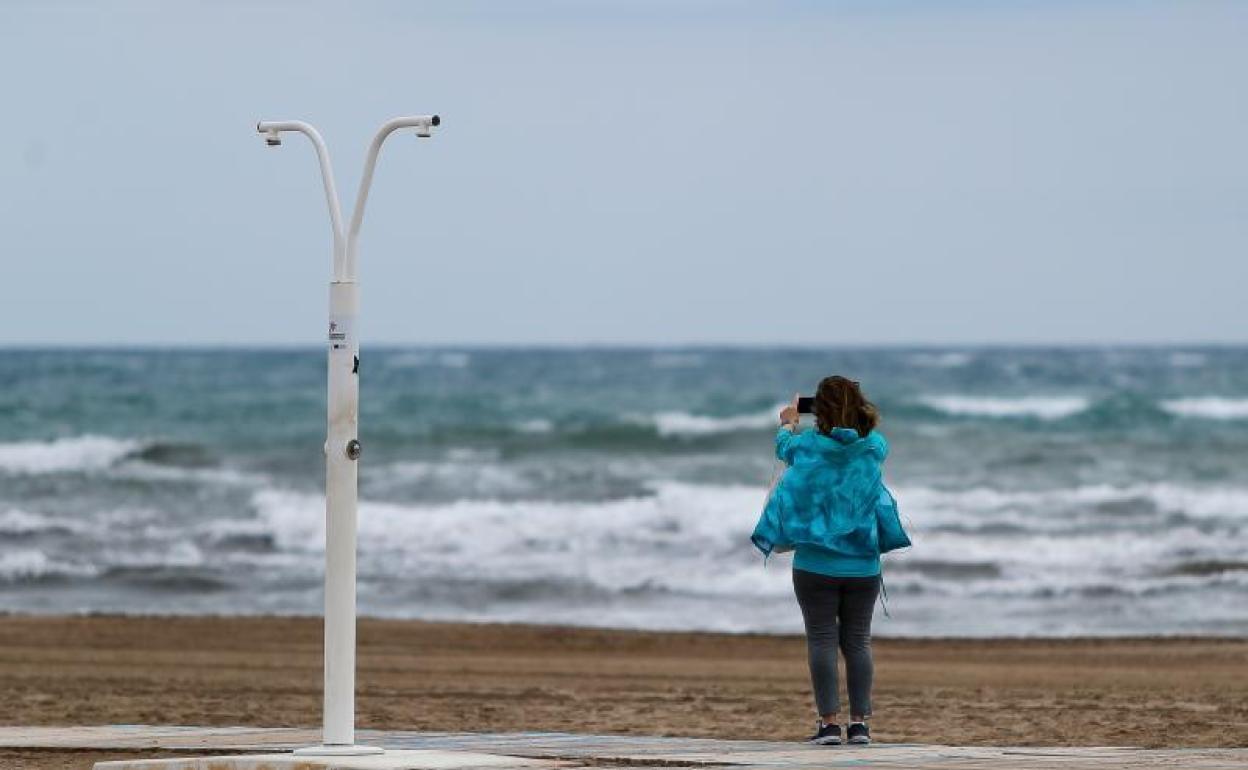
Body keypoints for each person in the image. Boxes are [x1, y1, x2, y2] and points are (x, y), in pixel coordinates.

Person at [752, 376, 888, 746]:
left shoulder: (807, 445)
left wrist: (789, 420)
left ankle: (829, 724)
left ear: (820, 411)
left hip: (815, 563)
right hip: (863, 563)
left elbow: (785, 448)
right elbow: (863, 437)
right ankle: (859, 725)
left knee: (822, 640)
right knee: (858, 642)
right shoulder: (874, 446)